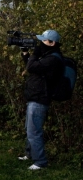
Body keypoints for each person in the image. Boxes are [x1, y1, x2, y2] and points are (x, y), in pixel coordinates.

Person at [18, 29, 64, 170]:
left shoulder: (53, 59)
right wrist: (26, 54)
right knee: (29, 128)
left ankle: (40, 162)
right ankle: (30, 153)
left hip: (40, 98)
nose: (40, 43)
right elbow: (34, 67)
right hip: (35, 96)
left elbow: (32, 67)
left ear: (52, 43)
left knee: (34, 131)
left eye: (43, 41)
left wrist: (35, 53)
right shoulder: (48, 55)